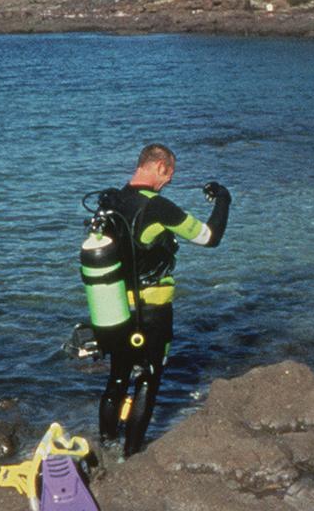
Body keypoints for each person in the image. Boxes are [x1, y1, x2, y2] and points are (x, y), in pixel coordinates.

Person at [95, 144, 230, 457]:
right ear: (158, 167)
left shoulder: (110, 201)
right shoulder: (157, 207)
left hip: (113, 306)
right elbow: (210, 237)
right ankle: (131, 455)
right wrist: (223, 198)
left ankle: (106, 446)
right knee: (147, 379)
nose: (168, 181)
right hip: (151, 312)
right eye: (169, 174)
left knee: (117, 378)